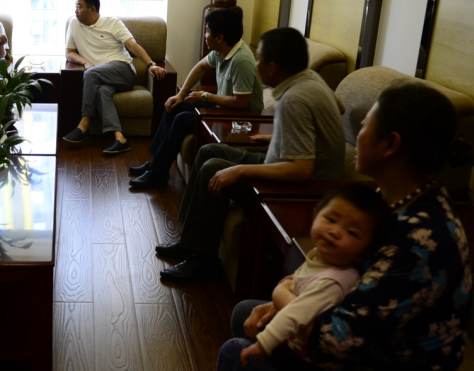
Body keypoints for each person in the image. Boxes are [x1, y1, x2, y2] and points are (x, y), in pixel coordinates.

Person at [226, 83, 472, 370]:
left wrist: (282, 297)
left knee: (234, 352)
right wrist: (285, 302)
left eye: (364, 126)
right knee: (245, 313)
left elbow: (332, 342)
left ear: (390, 144)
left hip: (385, 357)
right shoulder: (399, 196)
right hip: (358, 329)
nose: (356, 135)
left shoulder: (421, 238)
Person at [156, 27, 345, 283]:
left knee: (213, 168)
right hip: (281, 160)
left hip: (300, 186)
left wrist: (239, 170)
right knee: (208, 151)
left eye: (259, 59)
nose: (255, 64)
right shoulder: (310, 78)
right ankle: (190, 243)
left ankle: (204, 261)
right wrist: (283, 135)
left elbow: (302, 171)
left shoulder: (295, 99)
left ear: (272, 68)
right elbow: (338, 108)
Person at [220, 184, 392, 370]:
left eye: (351, 232)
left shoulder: (332, 283)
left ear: (364, 254)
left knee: (233, 350)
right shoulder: (322, 257)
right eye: (331, 219)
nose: (335, 231)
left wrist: (264, 343)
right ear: (315, 215)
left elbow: (296, 313)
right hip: (293, 339)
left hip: (302, 358)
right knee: (243, 314)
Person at [129, 8, 263, 189]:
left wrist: (206, 96)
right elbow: (200, 67)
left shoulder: (241, 61)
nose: (205, 35)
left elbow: (241, 102)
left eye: (207, 31)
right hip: (224, 108)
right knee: (174, 106)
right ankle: (155, 165)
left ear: (220, 37)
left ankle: (157, 173)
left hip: (240, 119)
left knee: (182, 119)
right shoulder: (222, 50)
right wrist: (180, 95)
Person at [61, 0, 166, 154]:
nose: (76, 10)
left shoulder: (112, 23)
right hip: (101, 76)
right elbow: (69, 53)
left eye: (79, 6)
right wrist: (86, 61)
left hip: (123, 70)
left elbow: (132, 45)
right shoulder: (74, 24)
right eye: (76, 6)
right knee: (102, 91)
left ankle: (84, 125)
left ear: (92, 9)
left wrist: (150, 64)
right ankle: (120, 139)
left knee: (91, 74)